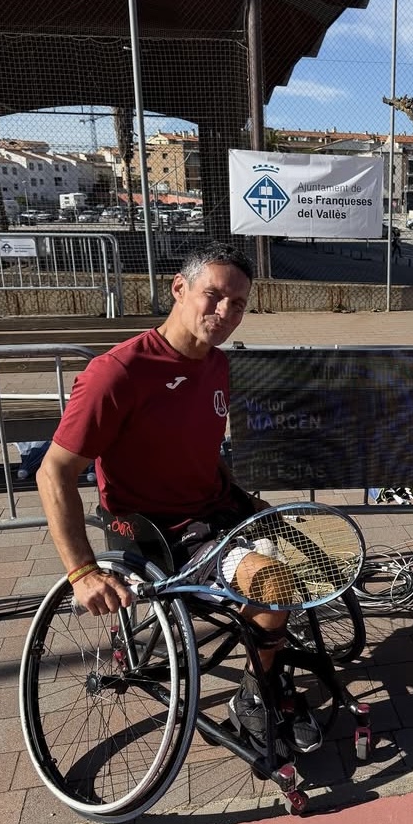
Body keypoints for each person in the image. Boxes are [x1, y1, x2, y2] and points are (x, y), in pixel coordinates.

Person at [37, 241, 320, 755]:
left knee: (311, 547)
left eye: (238, 304)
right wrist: (82, 572)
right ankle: (251, 699)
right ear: (179, 288)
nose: (225, 312)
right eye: (214, 296)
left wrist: (243, 498)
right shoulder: (117, 373)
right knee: (275, 583)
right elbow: (53, 471)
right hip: (163, 533)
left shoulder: (216, 365)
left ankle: (269, 653)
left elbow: (201, 449)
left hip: (216, 510)